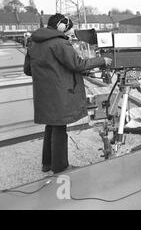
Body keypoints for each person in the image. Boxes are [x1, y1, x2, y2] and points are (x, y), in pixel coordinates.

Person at [24, 14, 112, 174]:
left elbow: (28, 70)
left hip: (44, 94)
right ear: (60, 24)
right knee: (59, 129)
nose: (69, 29)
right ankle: (60, 167)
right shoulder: (59, 43)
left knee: (50, 126)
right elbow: (78, 64)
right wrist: (102, 60)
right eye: (67, 26)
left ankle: (47, 164)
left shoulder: (33, 43)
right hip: (59, 93)